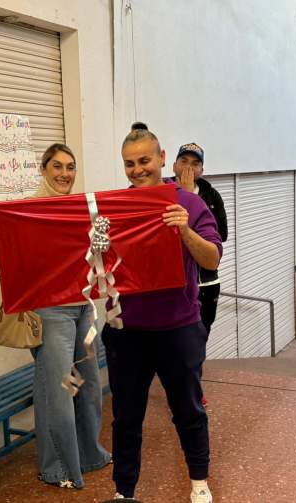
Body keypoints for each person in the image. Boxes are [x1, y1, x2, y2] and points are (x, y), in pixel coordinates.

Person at [103, 124, 221, 503]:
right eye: (129, 163)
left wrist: (184, 231)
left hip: (178, 327)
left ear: (162, 158)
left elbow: (212, 258)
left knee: (188, 411)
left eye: (144, 160)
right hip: (127, 330)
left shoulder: (190, 204)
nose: (137, 169)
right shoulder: (114, 207)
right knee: (126, 417)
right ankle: (124, 492)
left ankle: (199, 482)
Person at [30, 143, 111, 489]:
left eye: (70, 167)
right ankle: (58, 467)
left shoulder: (80, 210)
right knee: (59, 389)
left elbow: (88, 261)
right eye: (58, 166)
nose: (65, 173)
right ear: (44, 169)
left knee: (86, 383)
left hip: (82, 306)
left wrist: (100, 243)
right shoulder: (30, 212)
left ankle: (89, 453)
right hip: (52, 311)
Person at [173, 143, 228, 335]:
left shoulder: (212, 196)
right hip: (175, 286)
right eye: (184, 161)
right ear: (174, 165)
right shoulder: (164, 193)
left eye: (195, 163)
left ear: (202, 170)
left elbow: (222, 234)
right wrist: (184, 196)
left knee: (200, 337)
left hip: (206, 283)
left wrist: (192, 200)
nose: (189, 167)